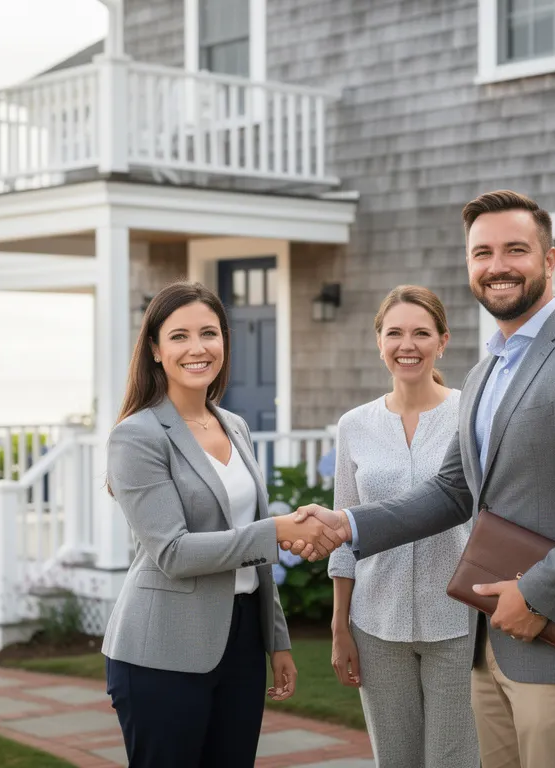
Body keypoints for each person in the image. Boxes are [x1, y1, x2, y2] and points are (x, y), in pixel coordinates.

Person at [292, 190, 555, 768]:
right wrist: (346, 524)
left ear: (550, 259)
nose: (497, 266)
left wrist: (537, 593)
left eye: (516, 249)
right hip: (491, 646)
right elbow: (453, 490)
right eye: (482, 252)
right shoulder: (488, 369)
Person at [102, 281, 345, 768]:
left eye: (209, 333)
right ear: (154, 349)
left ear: (225, 343)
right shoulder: (138, 436)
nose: (198, 348)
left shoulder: (235, 426)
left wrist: (275, 641)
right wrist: (277, 530)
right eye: (179, 336)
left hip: (242, 644)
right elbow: (173, 553)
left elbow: (252, 546)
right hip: (162, 650)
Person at [326, 285, 479, 768]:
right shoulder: (354, 425)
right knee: (395, 761)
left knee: (455, 761)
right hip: (375, 624)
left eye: (420, 333)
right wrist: (339, 626)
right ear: (379, 342)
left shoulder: (470, 415)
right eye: (394, 333)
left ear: (442, 340)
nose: (406, 344)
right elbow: (343, 534)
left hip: (457, 622)